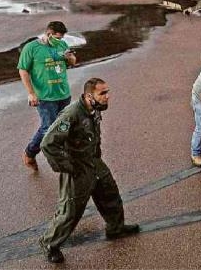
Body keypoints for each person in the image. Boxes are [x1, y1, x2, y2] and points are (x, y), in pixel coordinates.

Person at [38, 77, 139, 264]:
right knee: (70, 211)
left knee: (110, 193)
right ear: (88, 96)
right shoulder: (71, 114)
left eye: (107, 92)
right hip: (77, 167)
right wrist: (67, 167)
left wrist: (97, 157)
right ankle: (50, 243)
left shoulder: (94, 109)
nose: (107, 96)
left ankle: (115, 228)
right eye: (103, 93)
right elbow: (48, 143)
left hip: (94, 162)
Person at [19, 21, 77, 171]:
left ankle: (64, 155)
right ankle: (30, 153)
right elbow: (23, 70)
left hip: (63, 94)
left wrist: (69, 57)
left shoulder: (62, 45)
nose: (60, 40)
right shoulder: (31, 48)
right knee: (48, 127)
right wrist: (31, 93)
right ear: (49, 34)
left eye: (62, 37)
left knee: (64, 125)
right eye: (58, 37)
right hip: (45, 97)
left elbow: (73, 62)